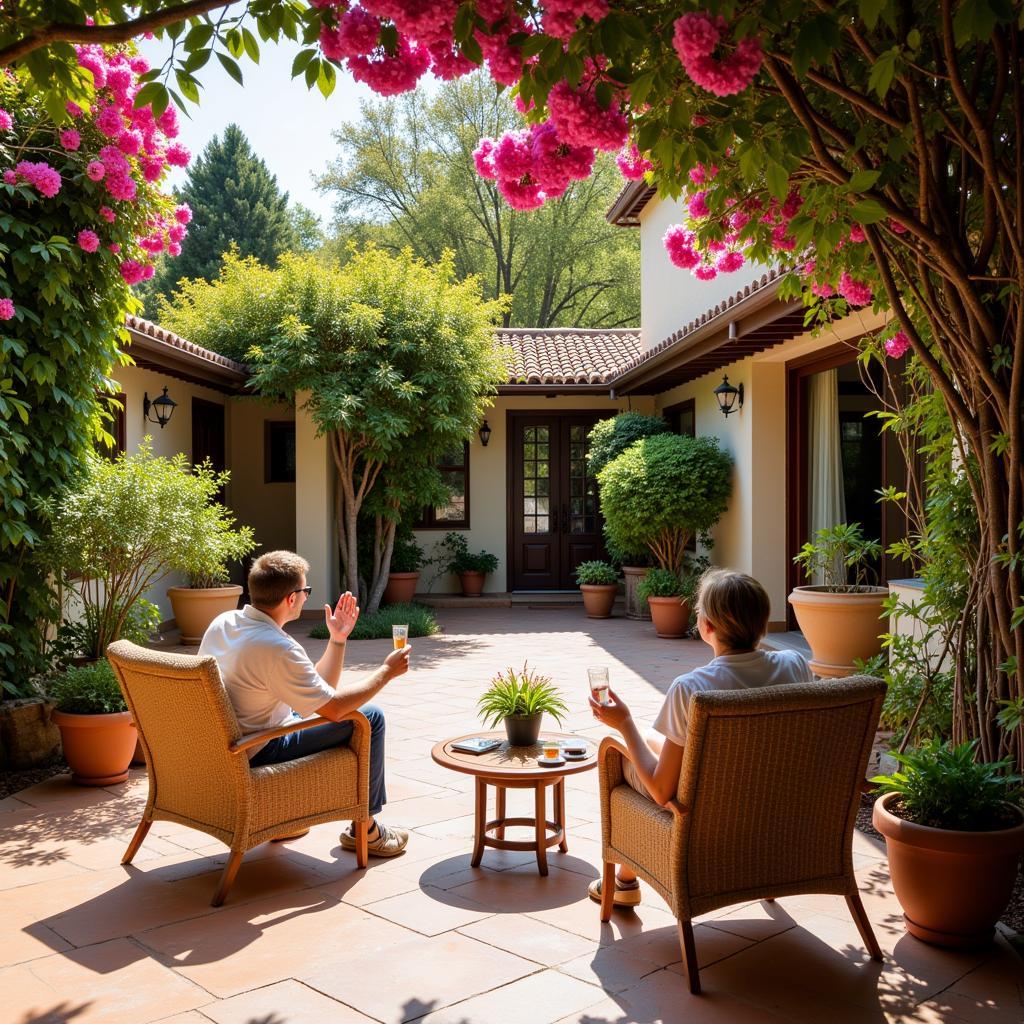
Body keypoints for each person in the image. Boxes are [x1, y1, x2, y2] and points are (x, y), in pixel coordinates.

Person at [587, 568, 812, 906]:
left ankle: (625, 880)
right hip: (777, 810)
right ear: (763, 623)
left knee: (622, 755)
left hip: (710, 821)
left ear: (707, 627)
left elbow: (663, 791)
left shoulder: (692, 688)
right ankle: (623, 879)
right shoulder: (795, 664)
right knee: (652, 739)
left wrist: (624, 723)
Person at [199, 550, 412, 857]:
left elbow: (318, 697)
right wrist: (386, 672)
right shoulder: (276, 647)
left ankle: (284, 819)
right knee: (370, 717)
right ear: (291, 599)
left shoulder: (226, 622)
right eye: (305, 591)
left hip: (229, 742)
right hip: (259, 747)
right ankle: (366, 829)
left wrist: (337, 639)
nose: (306, 597)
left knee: (315, 709)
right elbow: (335, 708)